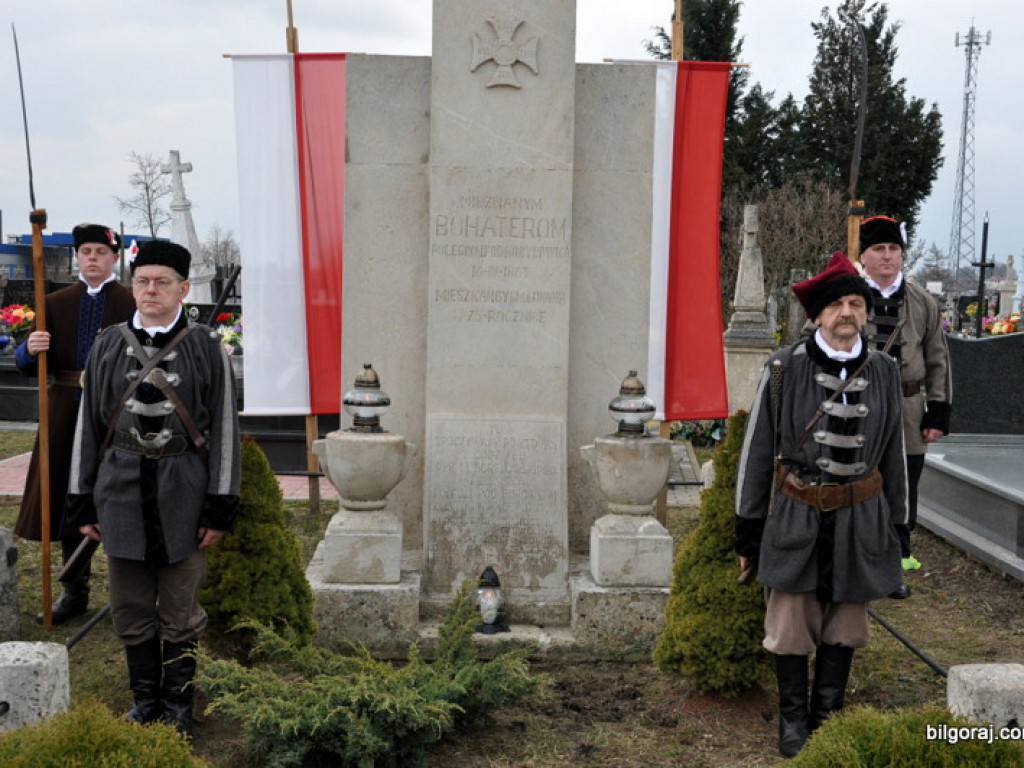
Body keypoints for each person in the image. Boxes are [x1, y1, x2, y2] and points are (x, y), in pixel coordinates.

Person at [735, 252, 908, 758]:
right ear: (818, 315)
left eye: (856, 303)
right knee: (789, 623)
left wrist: (900, 527)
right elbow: (756, 455)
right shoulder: (784, 368)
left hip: (861, 516)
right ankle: (793, 719)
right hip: (798, 512)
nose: (847, 313)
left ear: (865, 312)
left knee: (846, 623)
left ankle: (827, 715)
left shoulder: (884, 371)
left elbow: (894, 456)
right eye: (836, 305)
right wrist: (748, 529)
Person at [65, 240, 240, 737]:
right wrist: (82, 501)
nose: (150, 290)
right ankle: (145, 701)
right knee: (130, 606)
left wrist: (220, 506)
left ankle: (179, 705)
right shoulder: (107, 345)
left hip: (184, 493)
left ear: (183, 289)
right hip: (119, 493)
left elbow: (225, 431)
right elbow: (87, 428)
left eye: (162, 282)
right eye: (142, 281)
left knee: (181, 608)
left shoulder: (206, 347)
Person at [13, 223, 135, 624]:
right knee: (69, 493)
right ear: (77, 256)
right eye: (86, 252)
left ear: (113, 257)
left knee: (120, 492)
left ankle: (130, 593)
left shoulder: (131, 301)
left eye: (101, 252)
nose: (93, 258)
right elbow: (27, 365)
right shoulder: (54, 302)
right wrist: (29, 349)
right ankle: (74, 589)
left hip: (117, 408)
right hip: (65, 410)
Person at [859, 215, 952, 599]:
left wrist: (937, 412)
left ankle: (895, 566)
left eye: (894, 249)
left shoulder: (922, 302)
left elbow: (938, 360)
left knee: (903, 489)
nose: (887, 256)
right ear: (864, 256)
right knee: (860, 485)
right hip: (860, 408)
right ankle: (858, 562)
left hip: (908, 410)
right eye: (878, 249)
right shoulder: (848, 297)